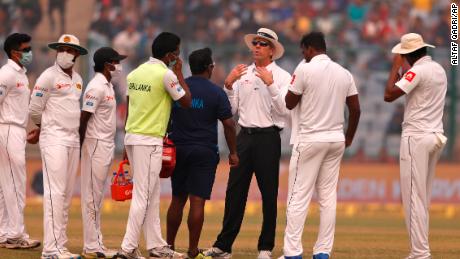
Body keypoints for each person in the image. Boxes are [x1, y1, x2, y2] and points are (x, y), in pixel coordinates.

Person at [205, 28, 291, 259]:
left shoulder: (282, 76)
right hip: (244, 136)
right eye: (255, 43)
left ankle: (265, 247)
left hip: (268, 137)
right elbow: (231, 111)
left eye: (262, 44)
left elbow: (284, 110)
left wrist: (271, 84)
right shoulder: (243, 72)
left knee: (269, 194)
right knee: (235, 193)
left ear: (272, 51)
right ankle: (224, 246)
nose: (256, 47)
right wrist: (229, 86)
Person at [278, 31, 361, 259]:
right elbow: (355, 109)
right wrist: (349, 137)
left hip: (311, 139)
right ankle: (322, 252)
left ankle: (293, 253)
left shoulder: (304, 68)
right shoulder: (344, 73)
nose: (302, 55)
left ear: (310, 49)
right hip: (335, 140)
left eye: (303, 51)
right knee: (327, 198)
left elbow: (289, 102)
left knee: (298, 196)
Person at [114, 32, 191, 259]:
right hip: (149, 139)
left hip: (132, 137)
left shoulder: (135, 73)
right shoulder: (166, 75)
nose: (178, 56)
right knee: (144, 195)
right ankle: (127, 248)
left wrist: (127, 150)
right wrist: (178, 72)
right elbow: (186, 101)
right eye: (177, 53)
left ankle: (156, 245)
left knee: (151, 193)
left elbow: (129, 109)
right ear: (169, 55)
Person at [166, 47, 239, 259]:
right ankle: (192, 250)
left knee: (177, 199)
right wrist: (233, 152)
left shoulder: (178, 88)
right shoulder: (216, 92)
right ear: (210, 67)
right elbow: (229, 124)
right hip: (204, 151)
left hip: (178, 149)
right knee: (197, 202)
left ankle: (168, 247)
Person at [384, 32, 447, 259]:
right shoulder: (438, 69)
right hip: (435, 135)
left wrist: (395, 67)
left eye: (402, 54)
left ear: (408, 54)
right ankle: (419, 251)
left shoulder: (417, 71)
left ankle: (420, 253)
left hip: (416, 137)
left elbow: (389, 95)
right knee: (422, 198)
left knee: (413, 198)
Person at [28, 34, 88, 259]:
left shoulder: (79, 79)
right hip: (53, 139)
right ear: (57, 51)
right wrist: (44, 127)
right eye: (62, 48)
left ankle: (60, 245)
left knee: (65, 195)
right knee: (55, 193)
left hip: (72, 140)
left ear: (76, 54)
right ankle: (51, 249)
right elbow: (34, 108)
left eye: (70, 50)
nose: (65, 53)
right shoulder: (47, 76)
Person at [79, 47, 127, 258]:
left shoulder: (107, 85)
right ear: (108, 64)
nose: (119, 66)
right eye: (116, 62)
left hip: (105, 144)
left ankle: (95, 243)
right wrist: (81, 147)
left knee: (97, 196)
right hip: (96, 144)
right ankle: (92, 246)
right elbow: (84, 118)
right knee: (92, 195)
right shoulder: (96, 86)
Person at [0, 33, 41, 249]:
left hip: (15, 130)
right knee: (16, 183)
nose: (29, 53)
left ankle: (4, 232)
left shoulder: (21, 74)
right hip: (7, 129)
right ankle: (16, 235)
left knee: (5, 185)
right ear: (14, 51)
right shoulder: (6, 74)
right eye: (26, 49)